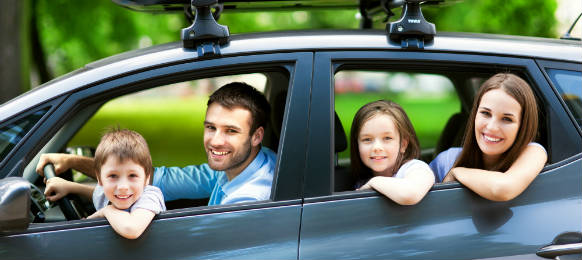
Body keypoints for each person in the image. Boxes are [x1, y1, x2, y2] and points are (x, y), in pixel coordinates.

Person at [37, 82, 275, 206]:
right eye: (210, 127)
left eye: (231, 131)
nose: (215, 141)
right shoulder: (246, 162)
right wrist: (72, 163)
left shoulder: (248, 201)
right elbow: (153, 180)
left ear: (256, 135)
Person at [429, 73, 547, 202]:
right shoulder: (447, 160)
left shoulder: (534, 152)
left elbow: (502, 189)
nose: (491, 127)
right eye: (485, 113)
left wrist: (456, 172)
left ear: (523, 125)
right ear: (475, 115)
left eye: (507, 119)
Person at [44, 128, 165, 239]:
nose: (123, 187)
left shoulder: (150, 196)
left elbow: (131, 229)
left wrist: (105, 211)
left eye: (132, 175)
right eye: (113, 176)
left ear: (146, 178)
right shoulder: (106, 193)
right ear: (100, 179)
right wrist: (70, 187)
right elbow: (97, 193)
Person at [351, 100, 434, 205]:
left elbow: (410, 194)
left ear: (403, 145)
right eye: (367, 139)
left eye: (387, 138)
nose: (376, 147)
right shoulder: (361, 179)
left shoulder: (416, 168)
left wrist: (375, 182)